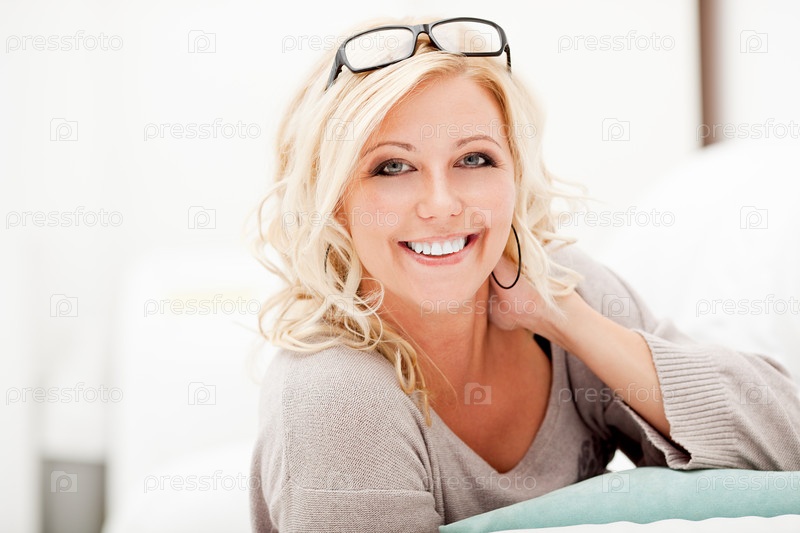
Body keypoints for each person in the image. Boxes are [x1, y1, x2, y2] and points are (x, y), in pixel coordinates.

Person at [248, 16, 800, 532]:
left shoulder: (559, 287)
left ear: (515, 175)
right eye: (392, 166)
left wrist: (568, 321)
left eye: (474, 159)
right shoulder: (334, 395)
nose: (442, 204)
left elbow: (788, 440)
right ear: (333, 199)